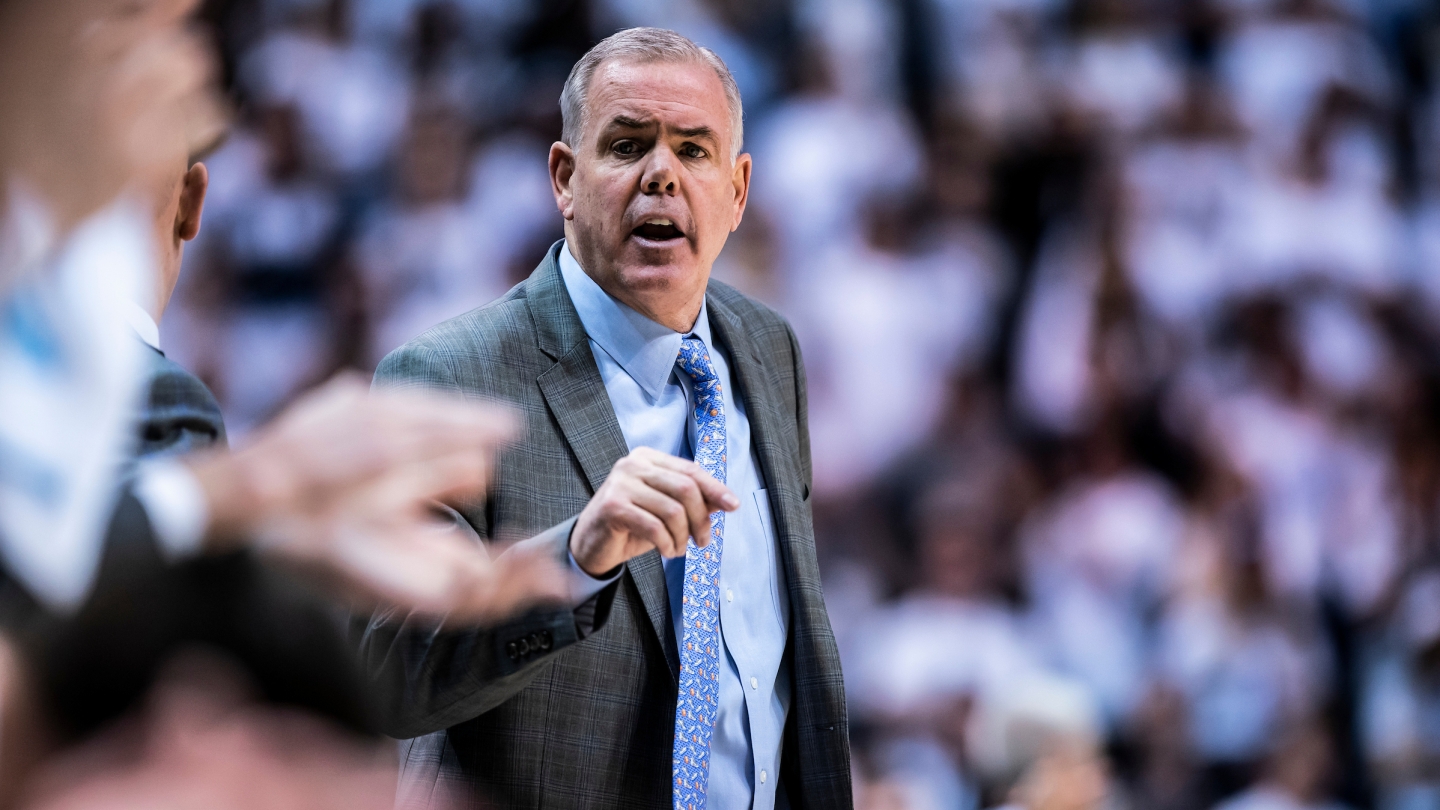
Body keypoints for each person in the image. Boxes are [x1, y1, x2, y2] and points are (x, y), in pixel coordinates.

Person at [365, 27, 851, 809]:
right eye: (628, 146)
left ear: (738, 189)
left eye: (695, 151)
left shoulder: (768, 349)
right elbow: (387, 673)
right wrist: (571, 559)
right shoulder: (449, 378)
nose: (662, 175)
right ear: (564, 177)